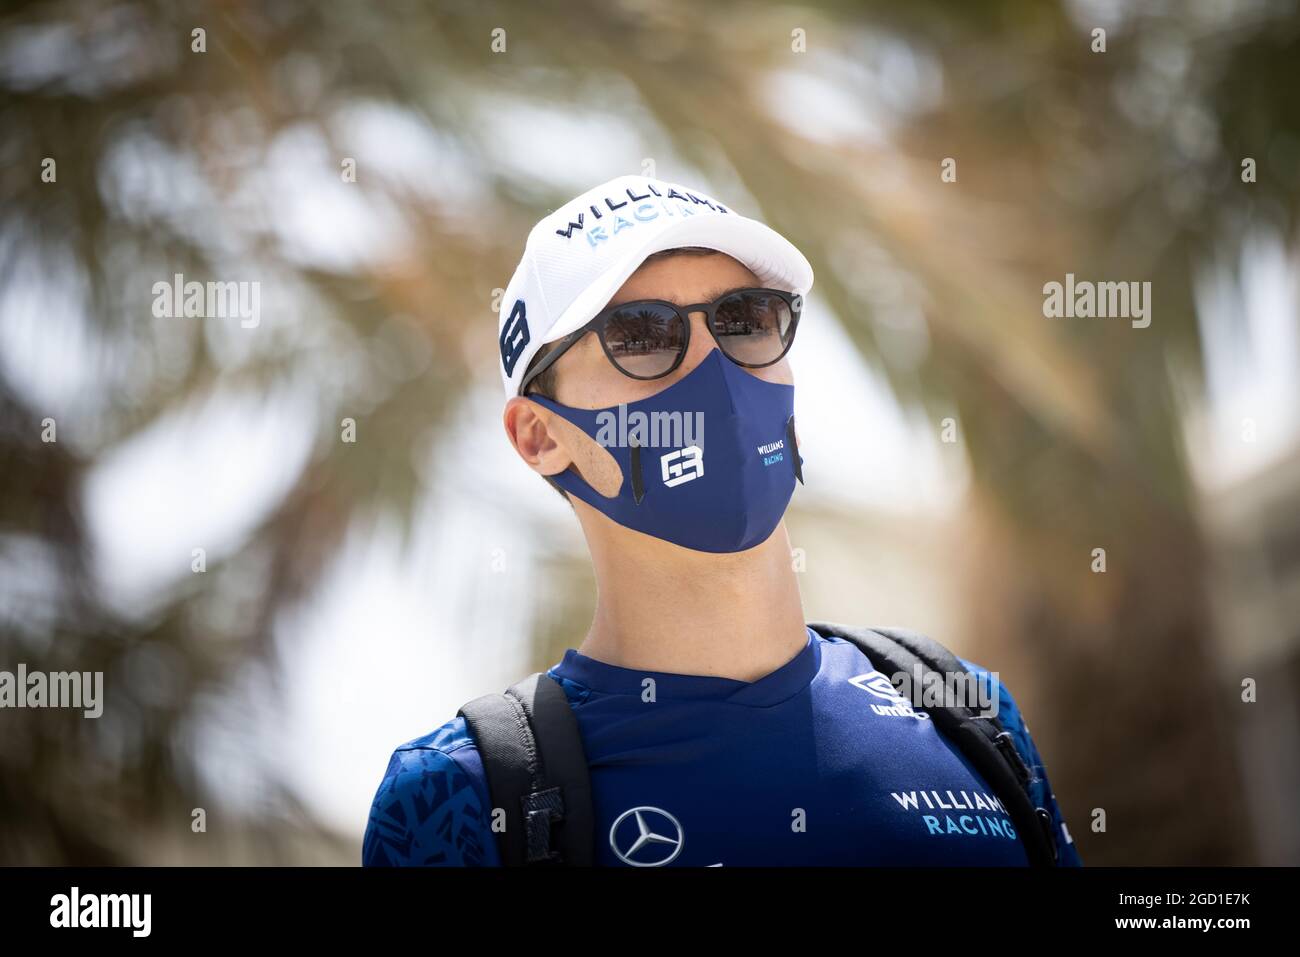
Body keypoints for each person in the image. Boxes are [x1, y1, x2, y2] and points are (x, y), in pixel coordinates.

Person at [362, 174, 1082, 866]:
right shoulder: (464, 794)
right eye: (642, 334)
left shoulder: (963, 705)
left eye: (745, 318)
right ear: (540, 436)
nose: (718, 369)